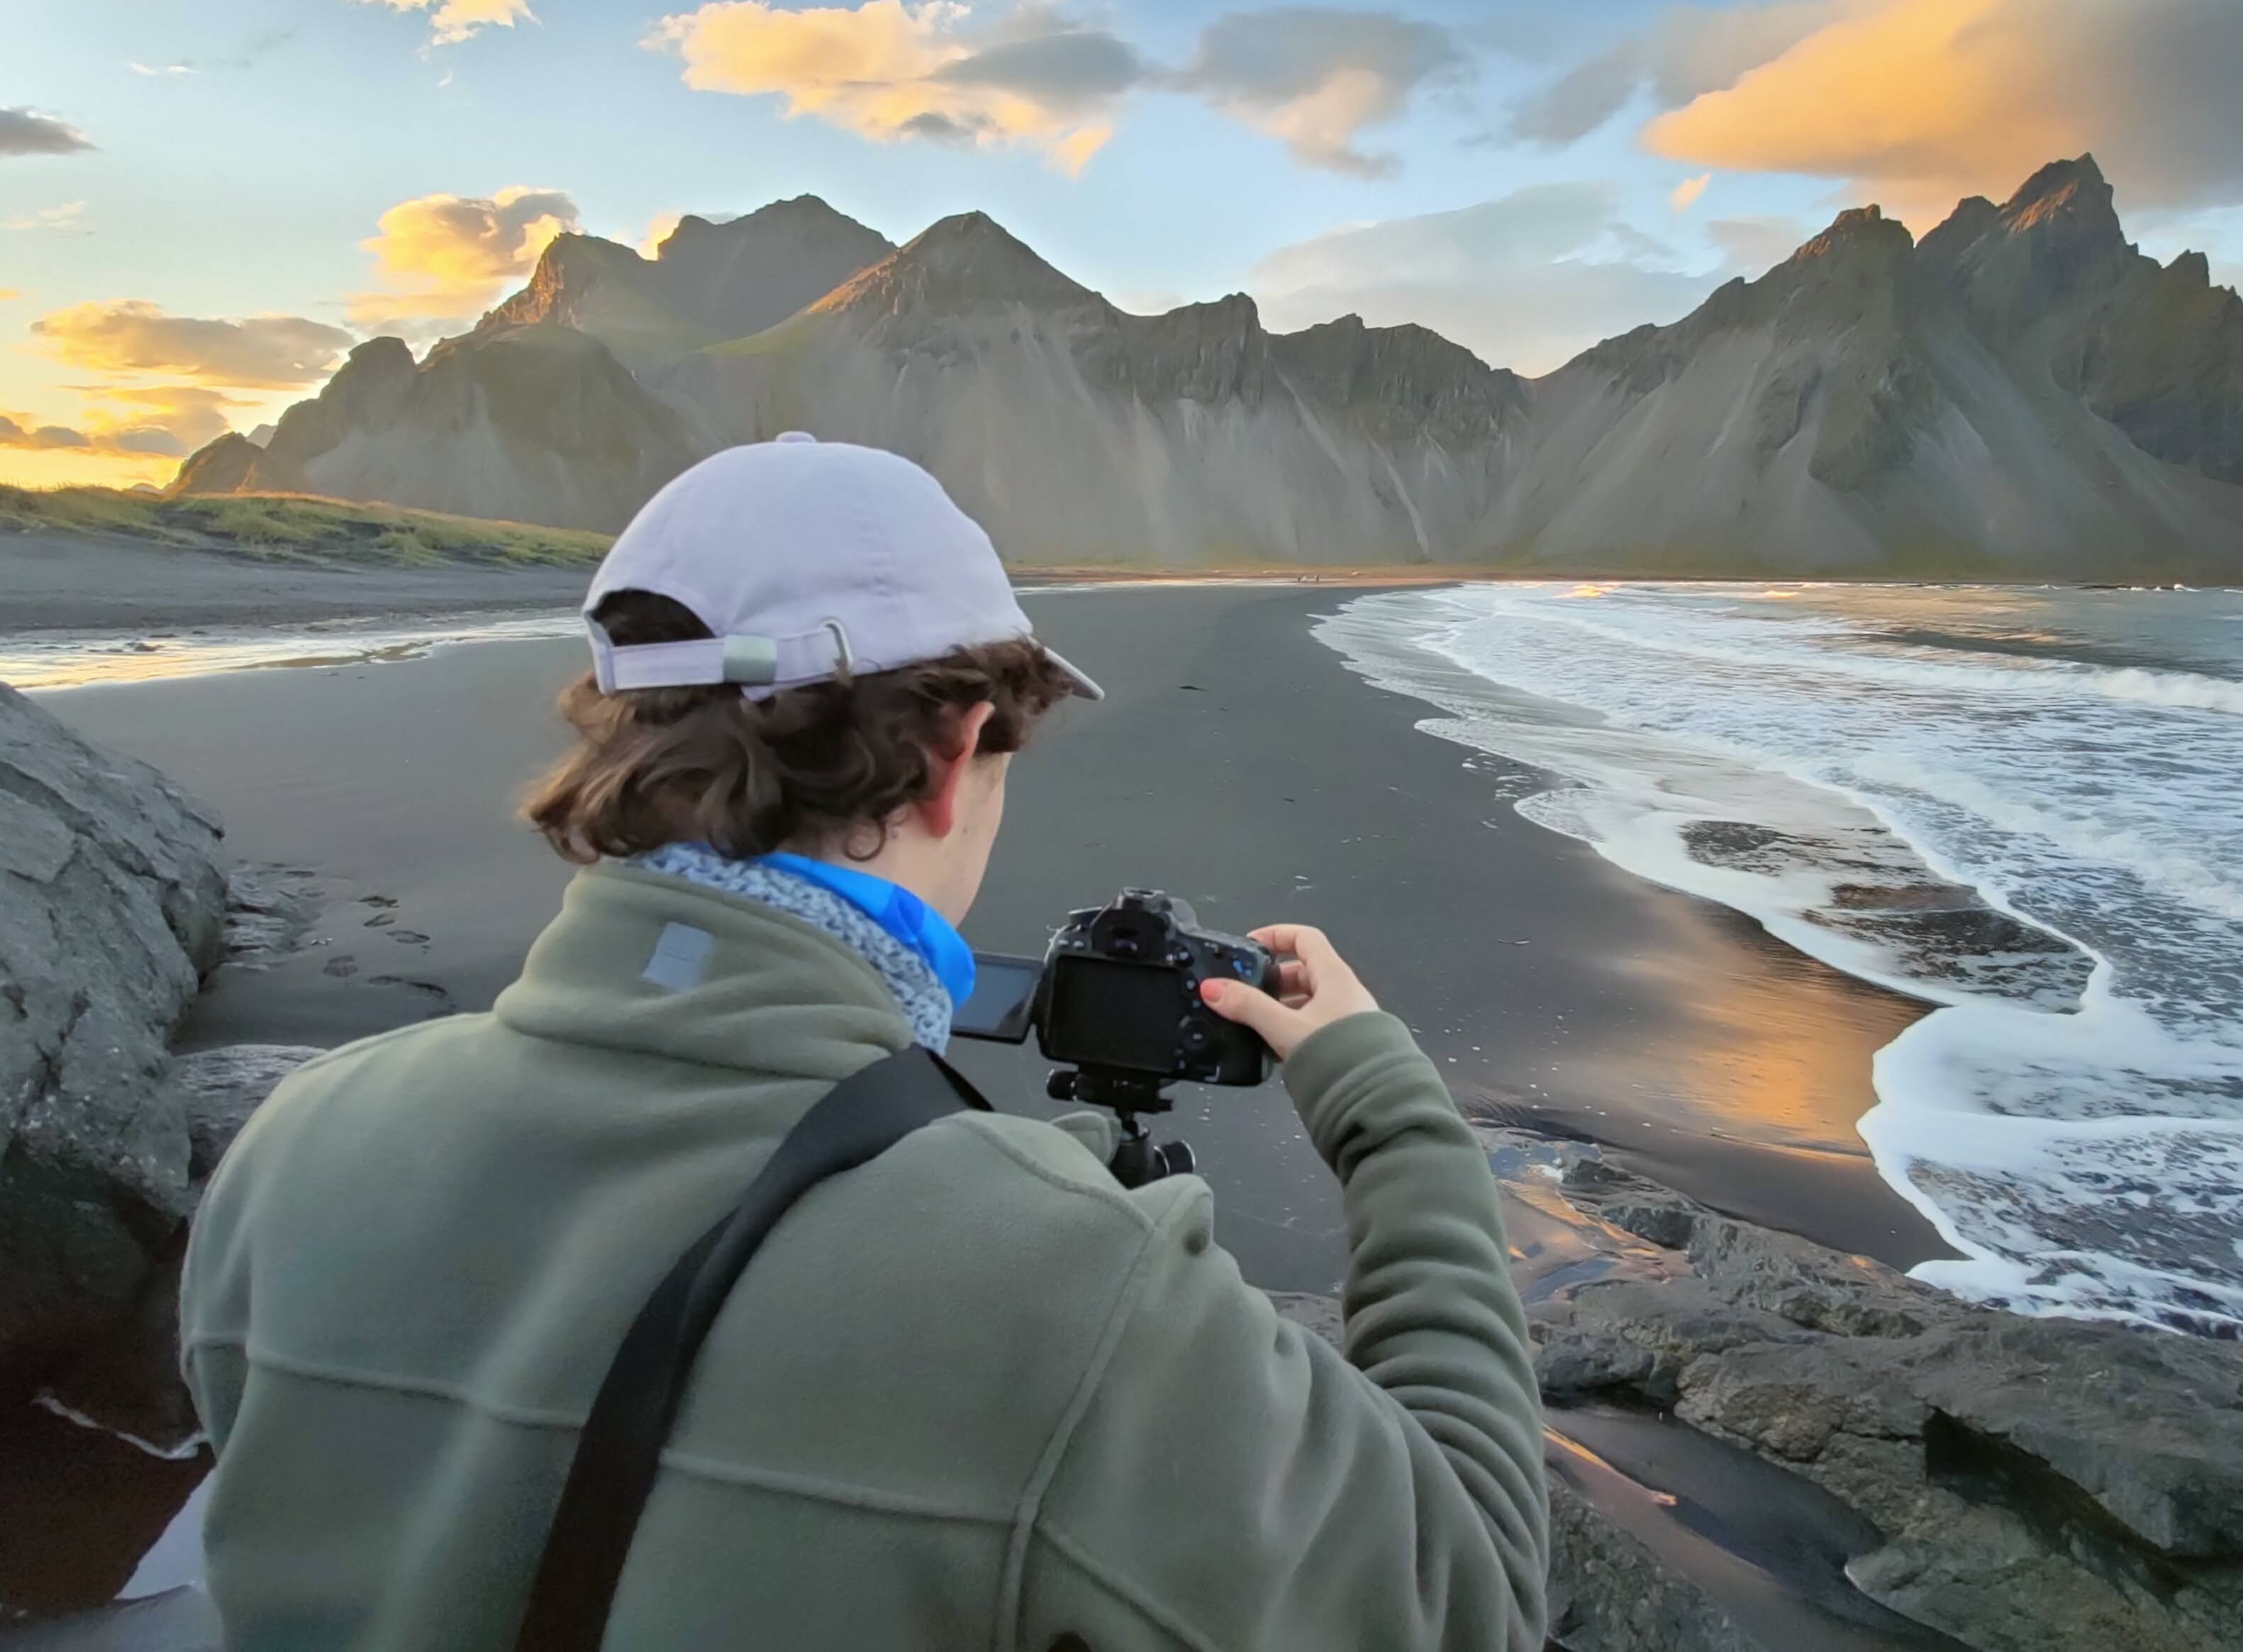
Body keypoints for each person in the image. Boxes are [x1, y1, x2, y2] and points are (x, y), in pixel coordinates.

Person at [181, 434, 1549, 1650]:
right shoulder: (1068, 1293)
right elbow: (1468, 1592)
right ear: (957, 755)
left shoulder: (297, 1146)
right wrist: (1391, 1115)